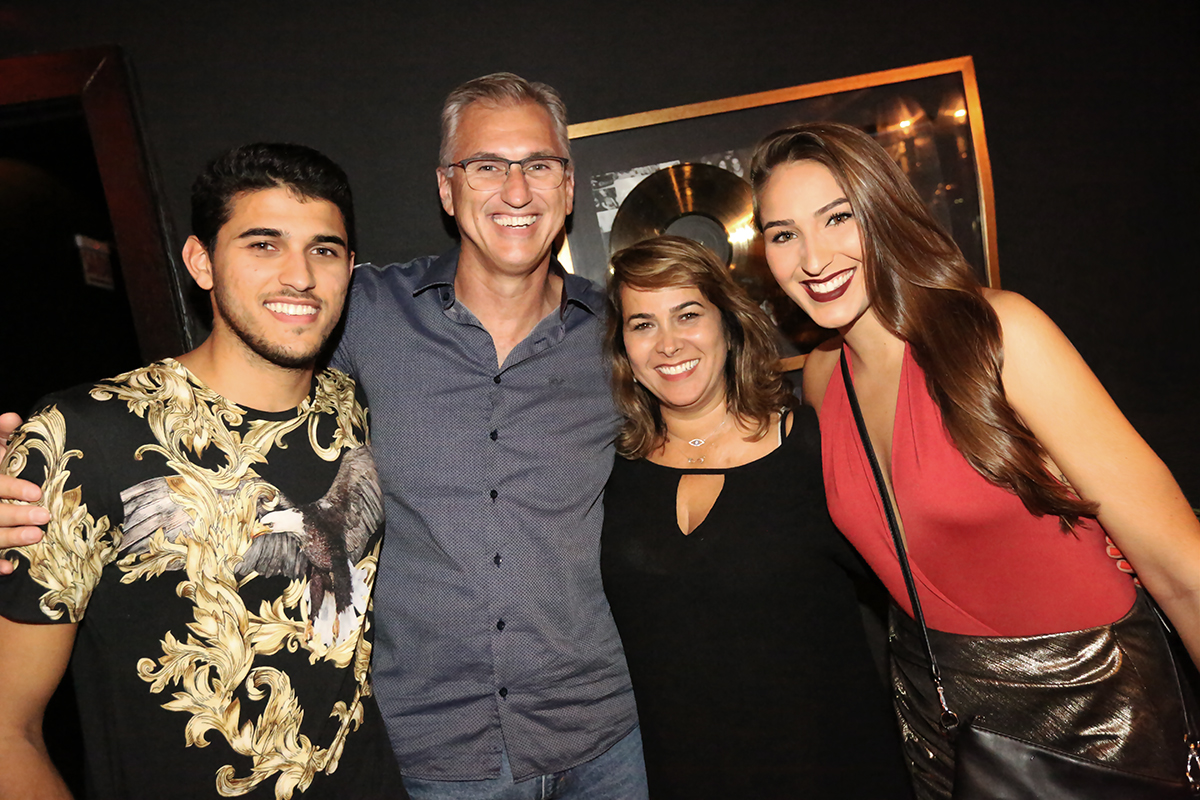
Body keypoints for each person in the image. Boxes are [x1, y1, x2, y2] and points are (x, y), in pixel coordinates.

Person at [0, 74, 645, 798]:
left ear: (567, 185)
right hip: (437, 751)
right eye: (485, 165)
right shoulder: (365, 314)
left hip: (598, 736)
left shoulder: (624, 332)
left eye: (539, 165)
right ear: (446, 188)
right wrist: (35, 457)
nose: (516, 190)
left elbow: (719, 403)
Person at [750, 121, 1200, 799]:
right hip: (944, 720)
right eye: (783, 233)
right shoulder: (820, 379)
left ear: (883, 209)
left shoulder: (998, 332)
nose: (813, 259)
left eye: (838, 217)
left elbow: (1181, 566)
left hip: (1094, 712)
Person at [0, 143, 404, 799]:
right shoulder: (85, 436)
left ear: (349, 268)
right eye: (263, 244)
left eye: (324, 249)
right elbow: (6, 730)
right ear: (201, 262)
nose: (299, 275)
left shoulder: (352, 405)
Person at [600, 235, 912, 798]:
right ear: (623, 347)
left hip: (834, 771)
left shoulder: (814, 448)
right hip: (685, 777)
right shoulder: (609, 474)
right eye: (642, 324)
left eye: (688, 315)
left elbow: (923, 565)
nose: (668, 344)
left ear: (729, 322)